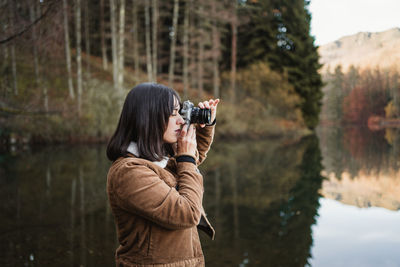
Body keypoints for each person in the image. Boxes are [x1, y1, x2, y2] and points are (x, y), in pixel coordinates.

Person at [106, 82, 219, 267]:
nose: (181, 120)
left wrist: (206, 126)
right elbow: (187, 213)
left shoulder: (157, 159)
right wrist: (186, 158)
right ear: (148, 117)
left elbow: (189, 164)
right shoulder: (129, 172)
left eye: (179, 112)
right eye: (173, 113)